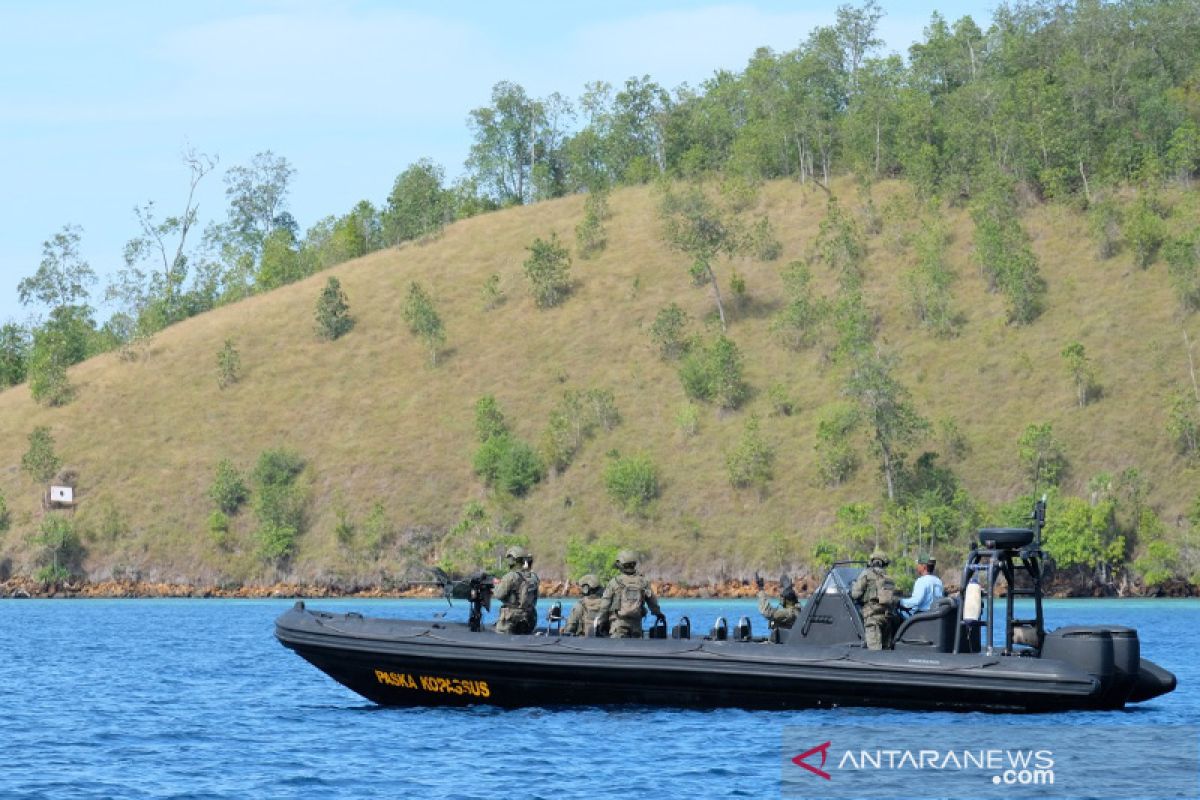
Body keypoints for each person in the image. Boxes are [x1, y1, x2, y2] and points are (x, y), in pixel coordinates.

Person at [600, 550, 664, 638]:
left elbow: (605, 606)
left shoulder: (615, 582)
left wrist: (601, 621)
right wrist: (658, 614)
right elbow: (652, 602)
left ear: (620, 564)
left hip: (618, 624)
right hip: (636, 625)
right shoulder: (643, 582)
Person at [850, 550, 899, 650]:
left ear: (872, 561)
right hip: (887, 618)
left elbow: (855, 594)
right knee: (886, 652)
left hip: (872, 617)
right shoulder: (889, 578)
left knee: (874, 653)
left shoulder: (866, 574)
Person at [493, 545, 539, 634]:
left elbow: (498, 594)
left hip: (510, 619)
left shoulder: (510, 576)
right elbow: (535, 599)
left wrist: (495, 586)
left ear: (513, 560)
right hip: (529, 618)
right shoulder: (534, 577)